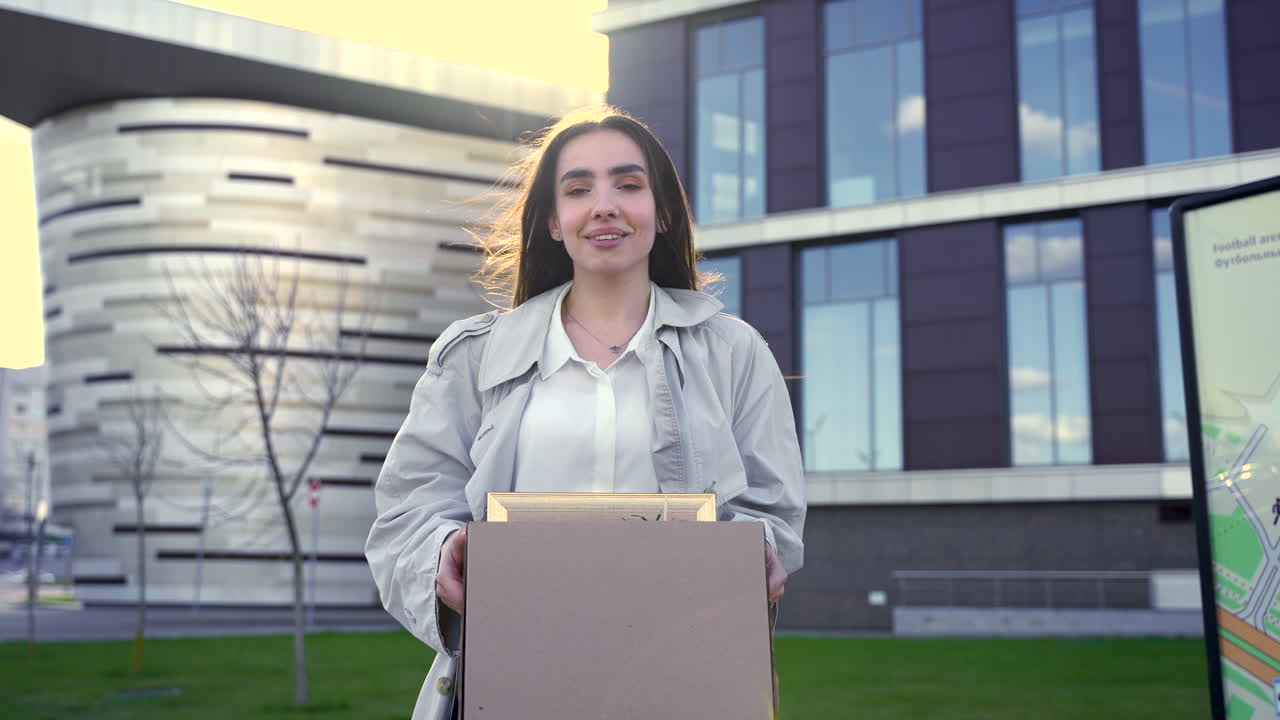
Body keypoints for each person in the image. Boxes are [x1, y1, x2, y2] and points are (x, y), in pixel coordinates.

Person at [364, 106, 806, 720]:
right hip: (513, 683)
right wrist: (441, 551)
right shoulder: (472, 357)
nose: (604, 205)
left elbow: (772, 511)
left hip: (682, 683)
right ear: (552, 220)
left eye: (628, 184)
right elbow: (407, 510)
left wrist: (758, 553)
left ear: (664, 212)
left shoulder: (735, 354)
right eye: (579, 190)